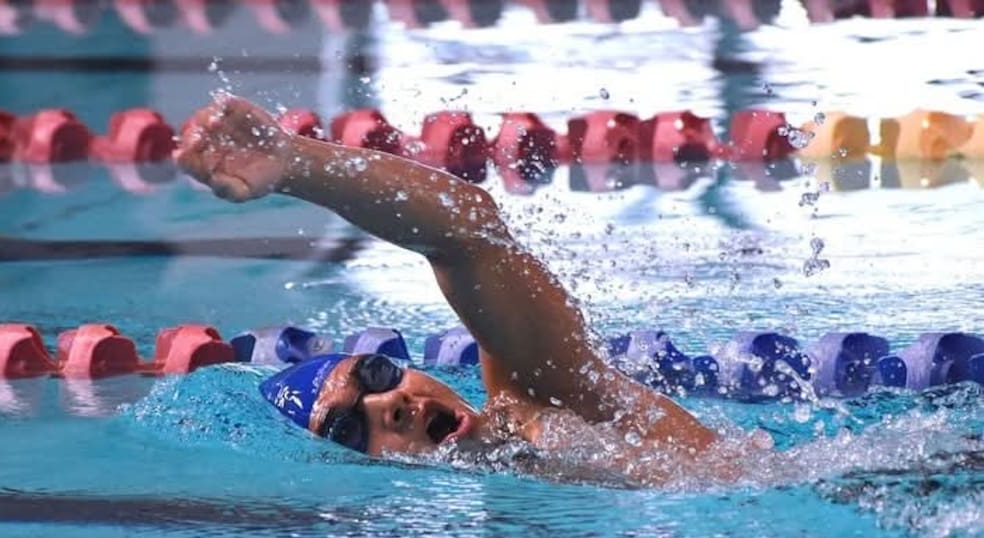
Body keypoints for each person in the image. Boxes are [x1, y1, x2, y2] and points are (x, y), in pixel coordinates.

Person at [175, 94, 756, 487]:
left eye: (376, 375)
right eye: (350, 429)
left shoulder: (539, 396)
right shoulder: (501, 512)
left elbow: (468, 233)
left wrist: (295, 163)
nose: (389, 404)